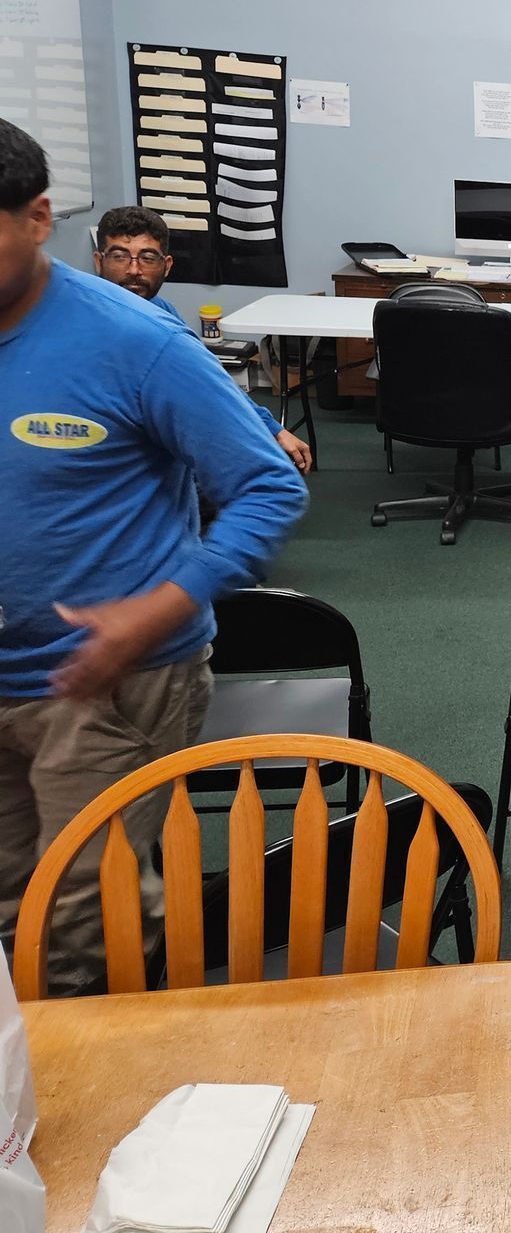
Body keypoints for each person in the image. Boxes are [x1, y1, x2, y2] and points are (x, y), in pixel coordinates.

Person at [0, 121, 308, 995]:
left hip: (107, 681)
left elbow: (269, 487)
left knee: (86, 931)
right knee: (8, 911)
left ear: (36, 219)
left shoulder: (135, 339)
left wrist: (164, 604)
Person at [91, 204, 312, 472]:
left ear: (167, 266)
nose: (134, 270)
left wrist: (272, 429)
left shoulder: (163, 313)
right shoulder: (85, 328)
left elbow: (211, 380)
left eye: (147, 257)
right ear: (98, 261)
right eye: (119, 256)